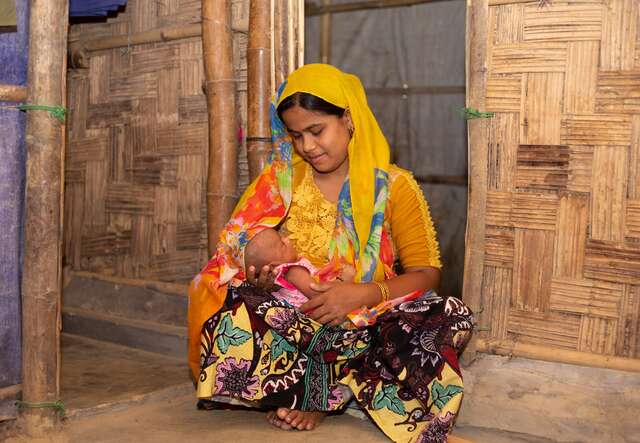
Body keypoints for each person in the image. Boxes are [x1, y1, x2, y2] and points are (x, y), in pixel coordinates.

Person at [188, 64, 473, 443]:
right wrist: (258, 273)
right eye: (296, 135)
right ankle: (328, 389)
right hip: (296, 317)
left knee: (447, 316)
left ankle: (318, 390)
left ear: (349, 119)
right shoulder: (281, 180)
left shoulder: (393, 186)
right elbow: (237, 245)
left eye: (317, 131)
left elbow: (426, 273)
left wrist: (361, 294)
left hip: (368, 318)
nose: (307, 146)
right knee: (233, 303)